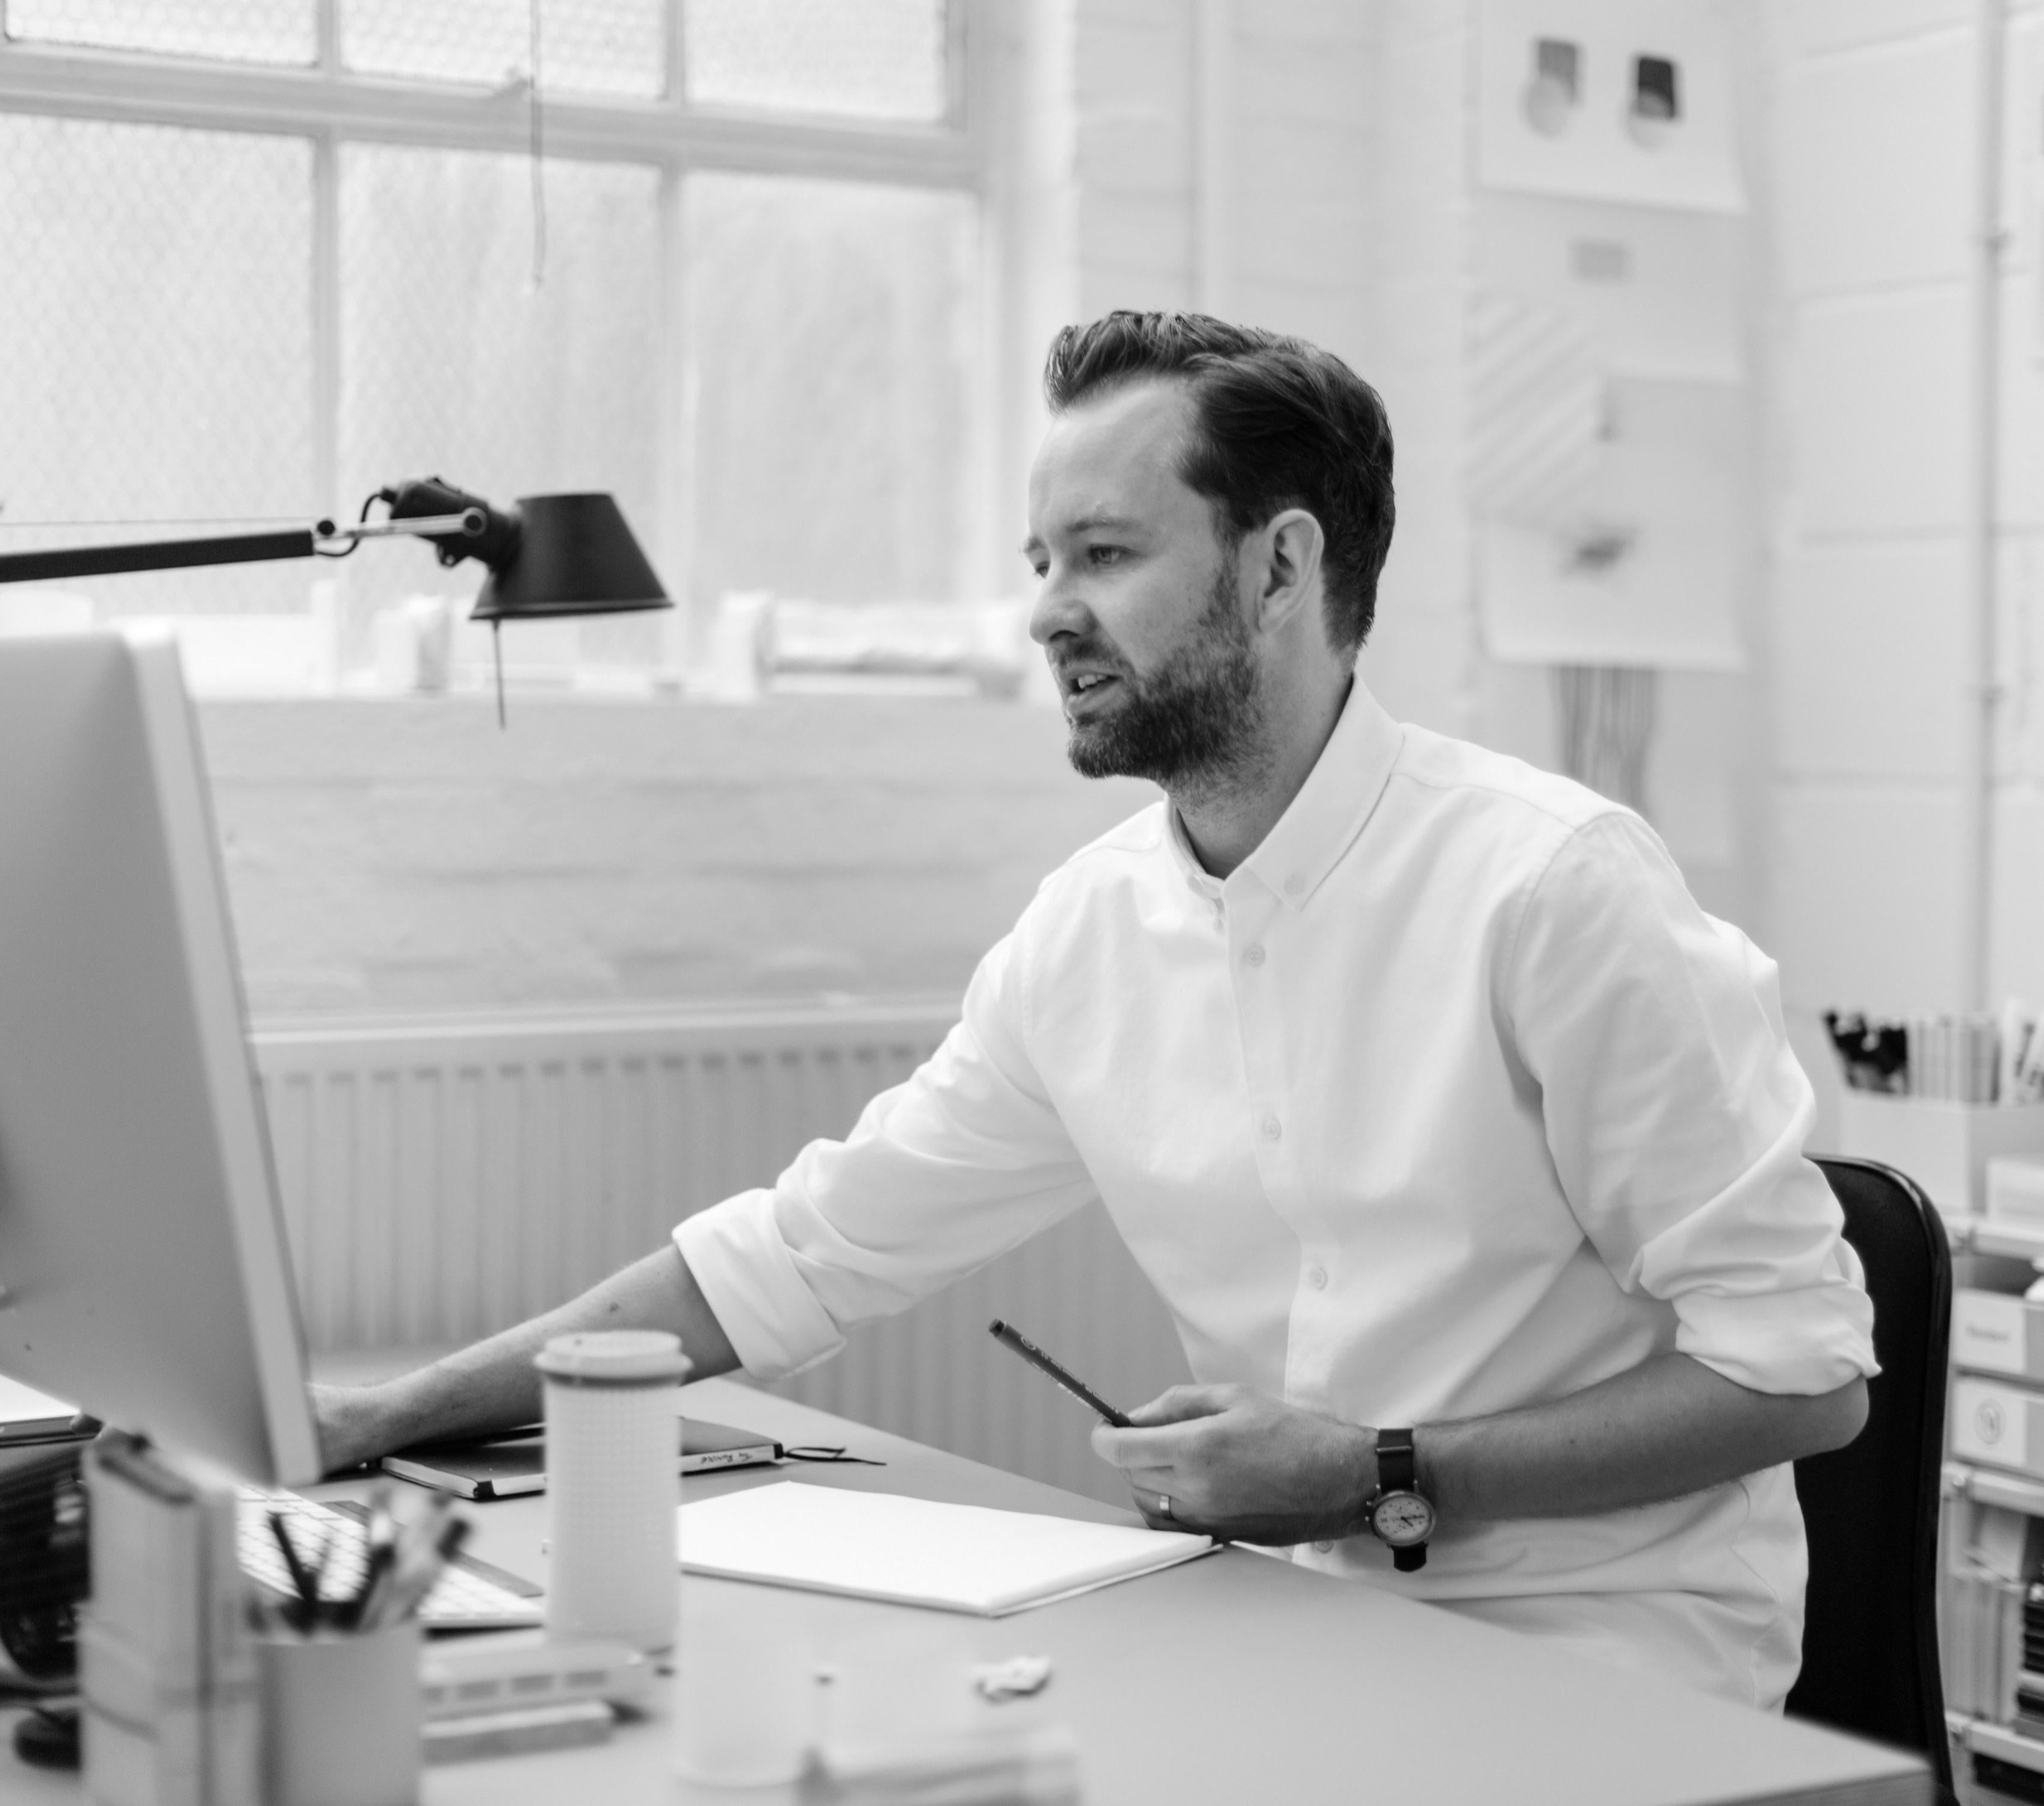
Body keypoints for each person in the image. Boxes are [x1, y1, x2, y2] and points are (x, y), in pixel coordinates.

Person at [315, 312, 1877, 1710]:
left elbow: (1801, 1377)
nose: (1047, 615)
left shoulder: (1554, 891)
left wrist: (1375, 1472)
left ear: (1280, 567)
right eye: (1039, 563)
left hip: (1606, 1670)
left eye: (1105, 557)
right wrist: (391, 1413)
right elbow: (796, 1257)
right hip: (1276, 1628)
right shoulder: (1089, 934)